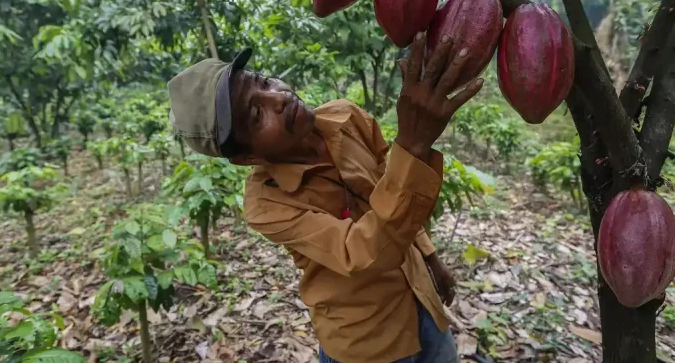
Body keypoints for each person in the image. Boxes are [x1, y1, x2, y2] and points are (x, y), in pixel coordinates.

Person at [166, 32, 483, 363]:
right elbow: (361, 251)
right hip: (366, 340)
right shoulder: (267, 205)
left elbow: (389, 181)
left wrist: (431, 258)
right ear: (246, 158)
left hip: (423, 300)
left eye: (263, 81)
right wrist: (414, 145)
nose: (279, 97)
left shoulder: (344, 116)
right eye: (257, 114)